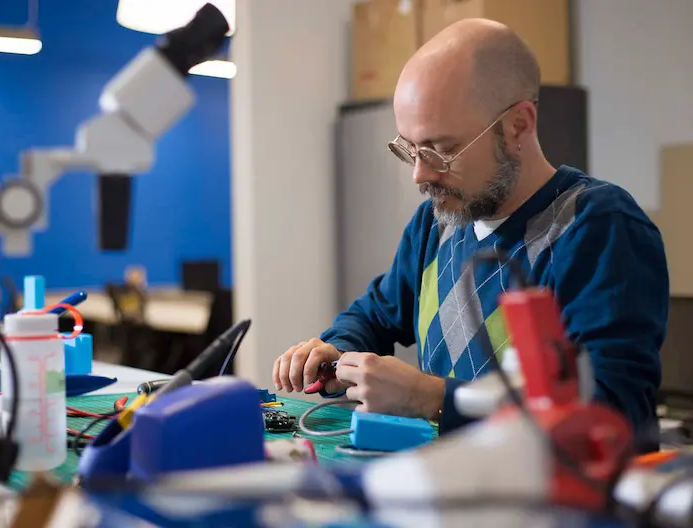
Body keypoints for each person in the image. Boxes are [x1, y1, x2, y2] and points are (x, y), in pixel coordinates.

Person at [271, 18, 668, 444]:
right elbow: (375, 315)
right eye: (409, 148)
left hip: (555, 503)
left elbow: (611, 415)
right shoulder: (435, 224)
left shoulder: (597, 227)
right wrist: (334, 350)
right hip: (455, 487)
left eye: (441, 150)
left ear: (518, 125)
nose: (420, 174)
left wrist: (435, 399)